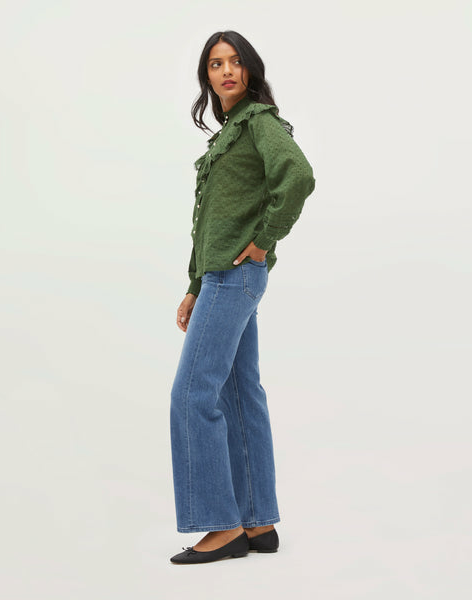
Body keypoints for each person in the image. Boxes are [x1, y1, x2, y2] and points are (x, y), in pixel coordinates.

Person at [169, 30, 315, 565]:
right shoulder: (230, 133)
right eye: (215, 64)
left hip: (236, 277)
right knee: (237, 393)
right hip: (222, 278)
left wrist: (264, 242)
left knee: (192, 395)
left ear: (249, 69)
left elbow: (298, 176)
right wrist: (194, 285)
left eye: (235, 61)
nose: (226, 71)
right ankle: (257, 521)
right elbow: (213, 222)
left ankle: (222, 525)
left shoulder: (258, 122)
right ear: (206, 77)